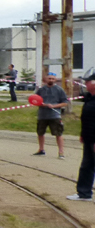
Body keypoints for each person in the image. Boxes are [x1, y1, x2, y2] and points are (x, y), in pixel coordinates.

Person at [68, 67, 95, 201]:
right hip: (89, 137)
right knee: (87, 166)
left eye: (87, 81)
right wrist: (83, 134)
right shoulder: (89, 98)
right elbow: (87, 118)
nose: (85, 84)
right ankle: (84, 193)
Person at [34, 72, 69, 158]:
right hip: (42, 115)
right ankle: (41, 149)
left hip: (55, 115)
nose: (51, 80)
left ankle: (61, 152)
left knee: (58, 133)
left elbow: (65, 102)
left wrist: (54, 106)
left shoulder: (59, 90)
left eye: (53, 79)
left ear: (55, 80)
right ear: (46, 79)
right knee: (40, 133)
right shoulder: (41, 90)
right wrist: (42, 104)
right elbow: (35, 100)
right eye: (49, 78)